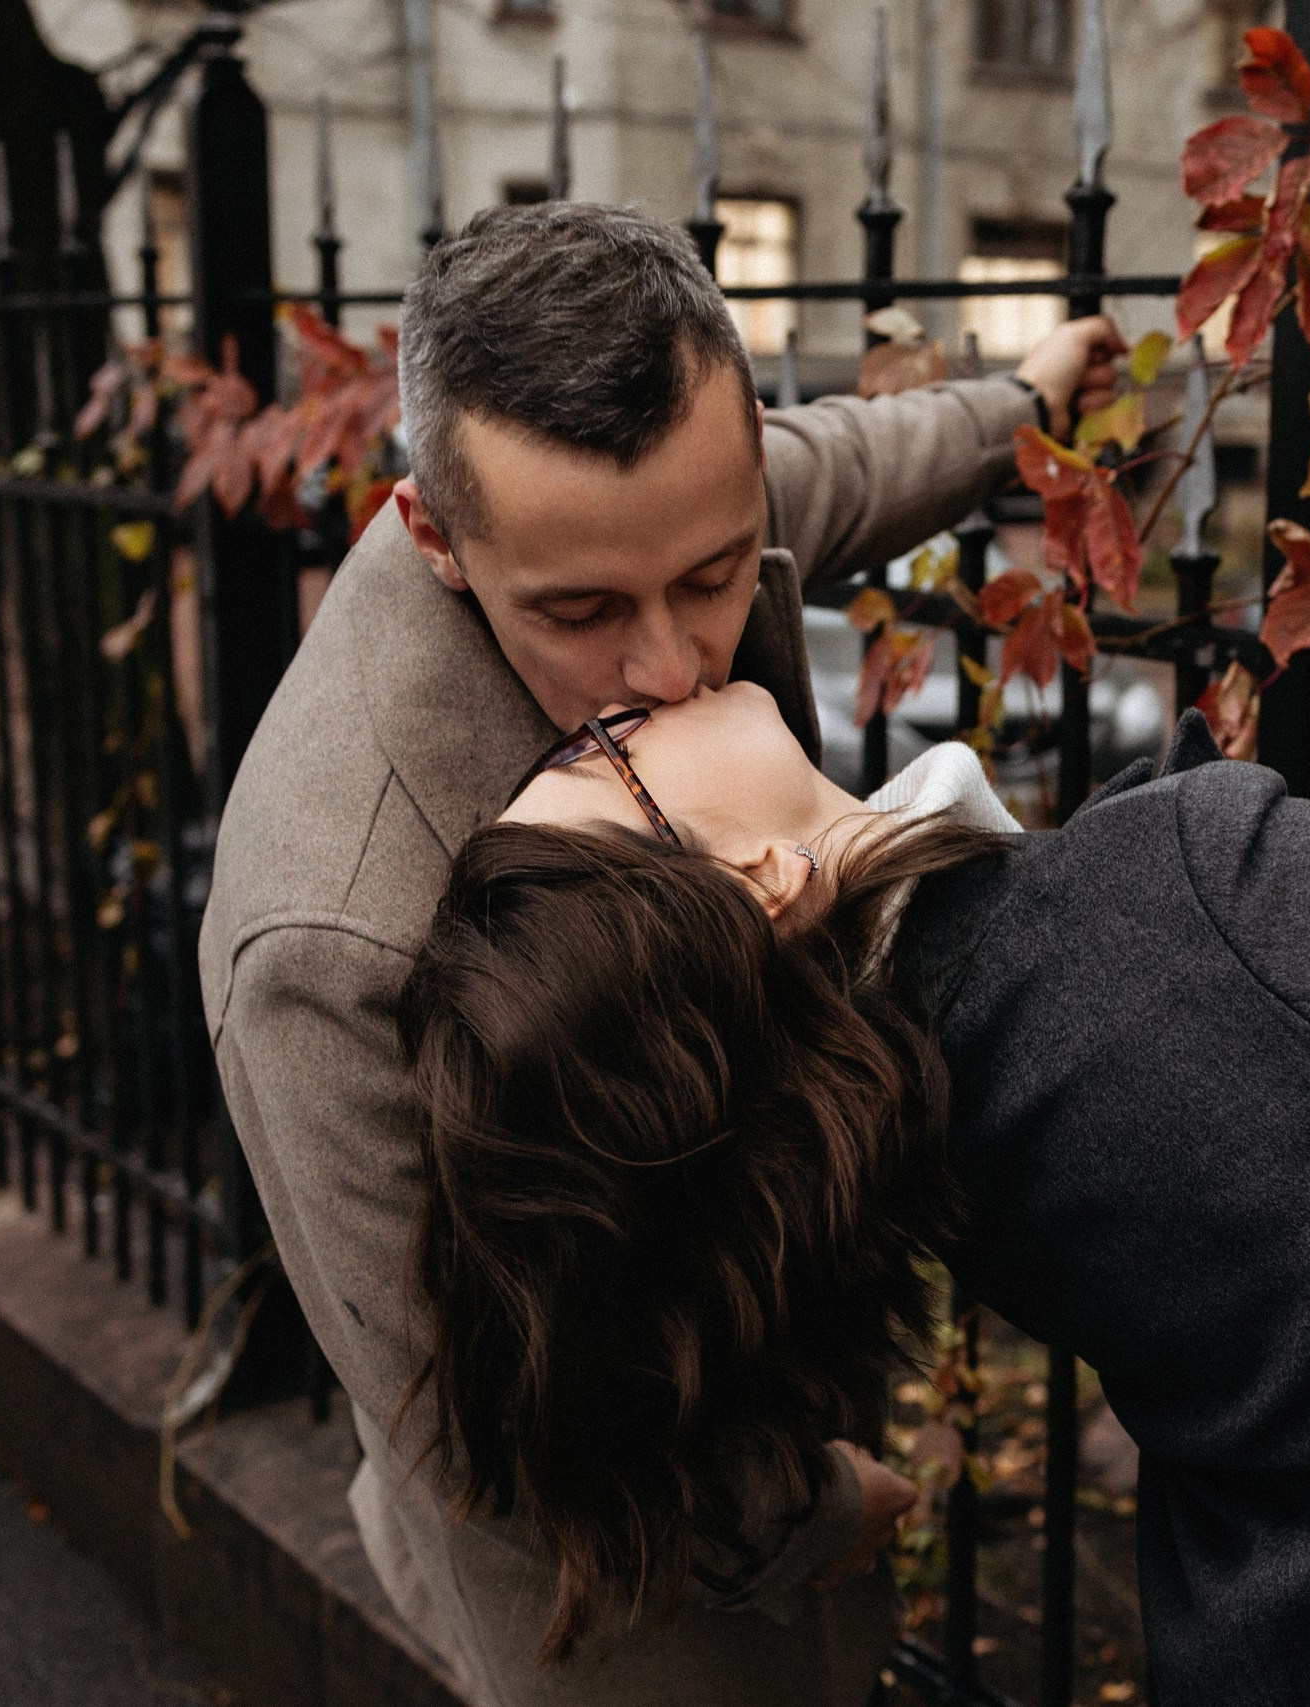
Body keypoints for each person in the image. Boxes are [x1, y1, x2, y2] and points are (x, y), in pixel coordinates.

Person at [399, 685, 1310, 1707]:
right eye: (610, 750)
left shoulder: (898, 1112)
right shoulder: (1174, 887)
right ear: (764, 878)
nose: (640, 693)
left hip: (1291, 1629)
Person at [196, 201, 1124, 1706]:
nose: (675, 663)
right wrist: (803, 1511)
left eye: (709, 577)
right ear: (436, 536)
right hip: (618, 1603)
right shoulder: (328, 925)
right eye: (580, 613)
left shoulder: (655, 518)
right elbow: (467, 1414)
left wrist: (1023, 405)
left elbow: (833, 472)